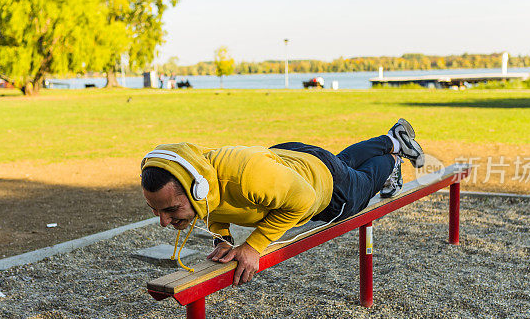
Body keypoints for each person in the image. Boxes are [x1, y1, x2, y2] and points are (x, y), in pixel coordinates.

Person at [141, 119, 425, 286]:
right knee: (344, 163)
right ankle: (392, 139)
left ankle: (391, 160)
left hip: (327, 189)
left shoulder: (245, 177)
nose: (164, 221)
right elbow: (217, 201)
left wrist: (253, 246)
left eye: (171, 210)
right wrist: (222, 239)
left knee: (361, 185)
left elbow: (305, 200)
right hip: (292, 159)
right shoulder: (200, 170)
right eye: (156, 210)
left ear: (197, 188)